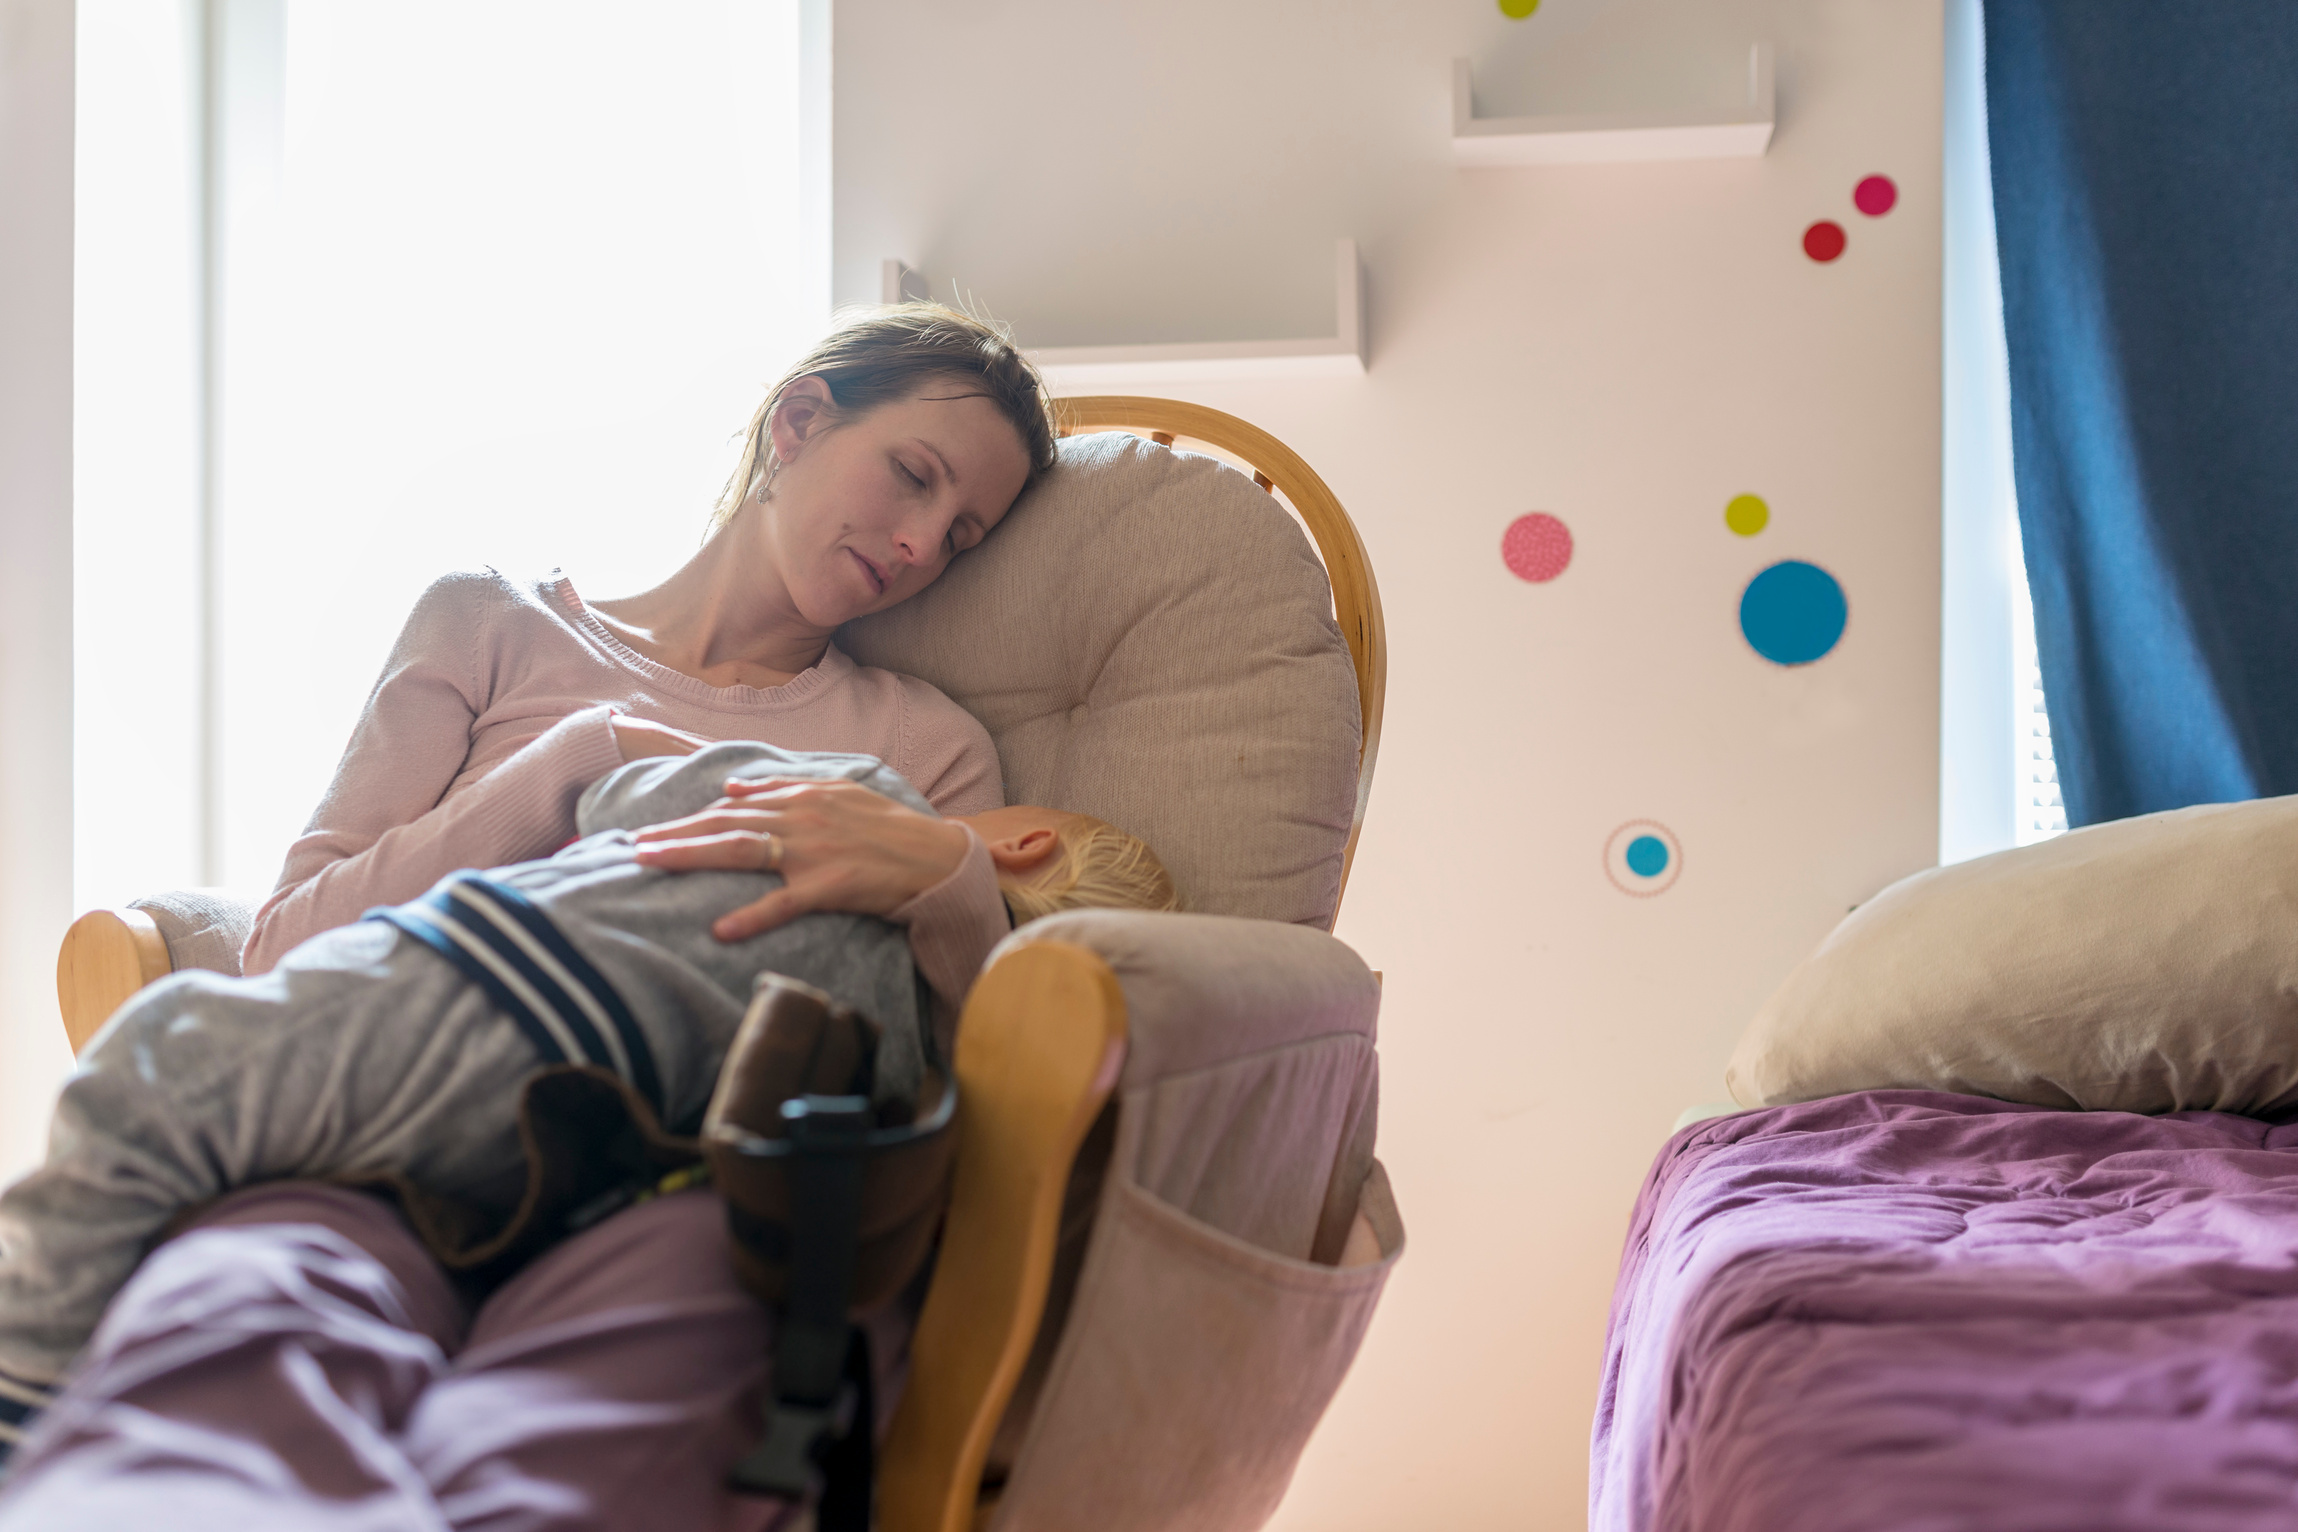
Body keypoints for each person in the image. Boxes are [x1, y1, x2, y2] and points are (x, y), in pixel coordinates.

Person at [0, 742, 1179, 1462]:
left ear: (1016, 843)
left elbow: (621, 797)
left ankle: (22, 1405)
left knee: (154, 1072)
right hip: (569, 1138)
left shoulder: (863, 790)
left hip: (485, 977)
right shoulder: (911, 1061)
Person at [240, 302, 1061, 1031]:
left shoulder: (925, 748)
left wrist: (949, 873)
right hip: (391, 1112)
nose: (922, 544)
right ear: (800, 422)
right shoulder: (486, 622)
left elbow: (973, 1056)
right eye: (913, 475)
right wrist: (586, 759)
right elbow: (279, 955)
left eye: (960, 538)